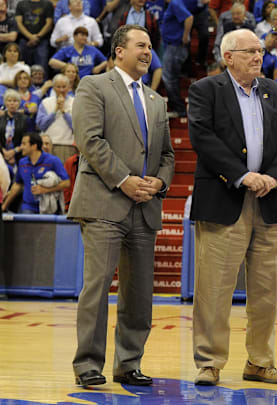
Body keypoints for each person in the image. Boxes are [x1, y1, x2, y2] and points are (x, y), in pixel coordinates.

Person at [187, 28, 277, 386]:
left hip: (270, 201)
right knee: (214, 290)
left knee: (267, 292)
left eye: (260, 51)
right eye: (250, 51)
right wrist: (242, 175)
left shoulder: (276, 91)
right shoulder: (205, 90)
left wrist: (273, 177)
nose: (258, 56)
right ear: (228, 56)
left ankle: (260, 362)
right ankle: (210, 362)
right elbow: (202, 136)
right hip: (224, 200)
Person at [68, 25, 175, 388]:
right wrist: (125, 180)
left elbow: (167, 155)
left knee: (139, 293)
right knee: (97, 287)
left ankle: (128, 363)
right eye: (140, 45)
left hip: (144, 207)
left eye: (150, 46)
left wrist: (159, 181)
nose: (148, 52)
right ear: (119, 51)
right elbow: (90, 141)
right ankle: (87, 364)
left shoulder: (157, 100)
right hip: (104, 202)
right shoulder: (93, 86)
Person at [1, 133, 70, 213]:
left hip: (49, 207)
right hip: (28, 207)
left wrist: (45, 189)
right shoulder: (22, 162)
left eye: (24, 144)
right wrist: (4, 206)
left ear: (34, 146)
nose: (21, 147)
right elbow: (17, 185)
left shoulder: (53, 161)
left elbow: (66, 183)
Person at [36, 74, 75, 163]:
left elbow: (77, 126)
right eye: (58, 87)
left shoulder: (75, 102)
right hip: (47, 145)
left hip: (67, 145)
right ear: (53, 88)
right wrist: (55, 111)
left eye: (64, 87)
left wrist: (64, 111)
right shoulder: (45, 102)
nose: (61, 90)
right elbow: (41, 125)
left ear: (69, 87)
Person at [15, 0, 53, 74]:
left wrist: (37, 37)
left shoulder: (47, 4)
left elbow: (49, 23)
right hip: (24, 40)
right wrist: (30, 37)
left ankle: (42, 84)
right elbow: (18, 23)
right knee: (21, 68)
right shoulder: (21, 4)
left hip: (42, 41)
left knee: (42, 68)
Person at [0, 89, 27, 166]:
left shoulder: (24, 119)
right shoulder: (1, 118)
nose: (12, 103)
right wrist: (3, 151)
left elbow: (27, 138)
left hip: (19, 155)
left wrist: (14, 151)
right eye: (9, 101)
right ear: (5, 103)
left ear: (19, 103)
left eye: (15, 101)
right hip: (2, 154)